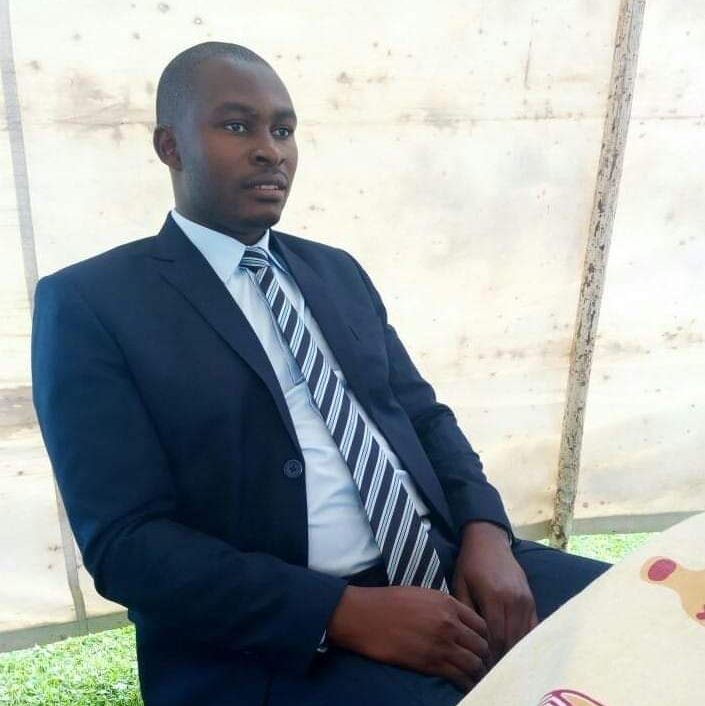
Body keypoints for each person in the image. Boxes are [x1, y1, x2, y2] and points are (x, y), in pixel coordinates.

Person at [31, 42, 609, 706]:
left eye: (283, 130)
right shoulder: (92, 303)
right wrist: (339, 613)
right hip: (277, 640)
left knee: (652, 622)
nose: (269, 151)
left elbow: (423, 418)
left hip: (450, 568)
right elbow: (127, 543)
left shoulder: (335, 271)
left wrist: (486, 531)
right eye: (237, 126)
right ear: (170, 146)